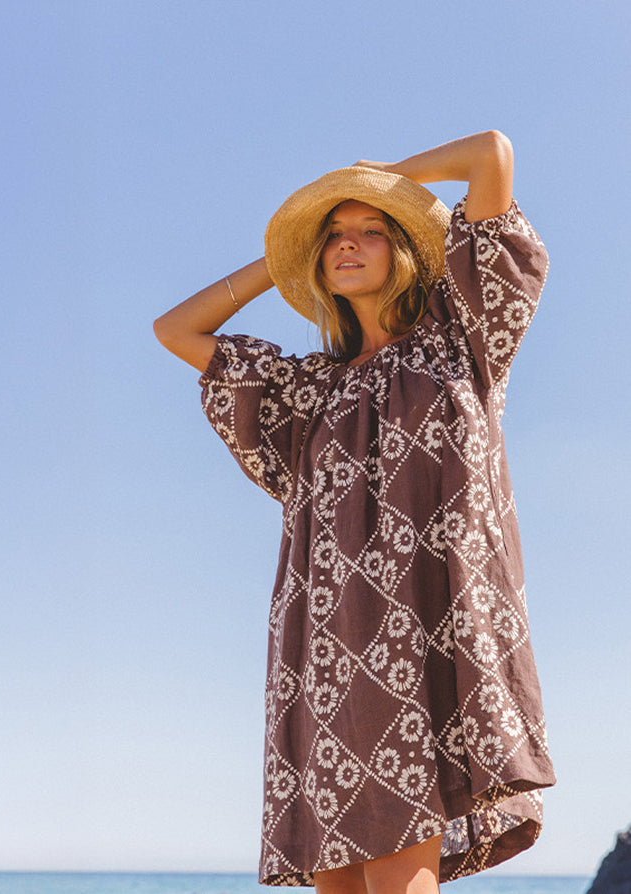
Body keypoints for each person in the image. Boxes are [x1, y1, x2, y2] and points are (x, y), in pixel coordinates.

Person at [154, 131, 556, 894]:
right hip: (328, 647)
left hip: (429, 625)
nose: (348, 243)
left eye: (371, 231)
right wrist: (287, 262)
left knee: (400, 866)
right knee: (339, 880)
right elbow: (177, 330)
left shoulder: (461, 338)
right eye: (334, 236)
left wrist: (382, 181)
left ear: (405, 251)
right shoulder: (310, 393)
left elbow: (491, 155)